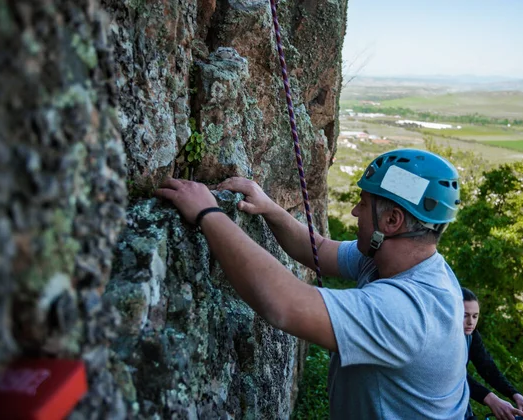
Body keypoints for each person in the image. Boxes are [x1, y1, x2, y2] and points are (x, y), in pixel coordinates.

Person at [155, 148, 469, 418]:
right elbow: (319, 248)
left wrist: (208, 213)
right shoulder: (400, 260)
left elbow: (285, 305)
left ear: (391, 221)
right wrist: (271, 209)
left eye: (364, 202)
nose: (354, 211)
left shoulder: (408, 312)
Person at [462, 288, 523, 420]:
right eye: (465, 315)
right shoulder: (440, 339)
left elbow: (487, 367)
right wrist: (491, 399)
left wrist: (514, 395)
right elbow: (453, 376)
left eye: (475, 316)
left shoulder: (471, 335)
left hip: (461, 408)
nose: (471, 322)